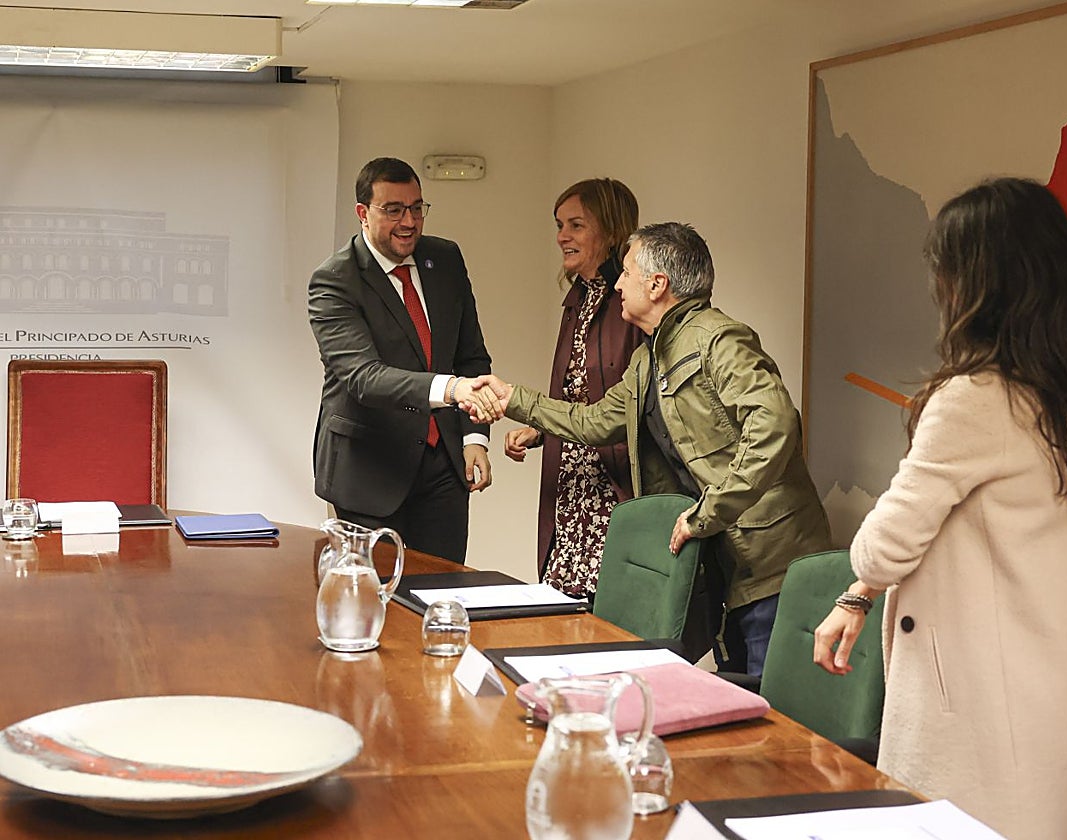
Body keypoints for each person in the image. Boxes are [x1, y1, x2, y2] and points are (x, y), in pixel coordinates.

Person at [811, 178, 1067, 840]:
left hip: (982, 709)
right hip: (1061, 688)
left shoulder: (974, 398)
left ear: (977, 283)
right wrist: (859, 597)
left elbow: (881, 546)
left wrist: (864, 575)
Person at [463, 222, 832, 676]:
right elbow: (596, 421)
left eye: (627, 272)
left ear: (658, 285)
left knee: (776, 713)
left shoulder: (719, 338)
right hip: (727, 570)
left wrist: (711, 510)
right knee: (740, 698)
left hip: (772, 562)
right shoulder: (648, 359)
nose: (617, 282)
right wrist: (512, 400)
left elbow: (774, 424)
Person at [308, 157, 496, 564]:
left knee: (441, 593)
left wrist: (473, 437)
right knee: (374, 604)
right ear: (363, 213)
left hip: (444, 465)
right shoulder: (335, 280)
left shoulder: (445, 259)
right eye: (393, 210)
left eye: (416, 208)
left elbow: (470, 355)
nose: (409, 221)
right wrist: (451, 388)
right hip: (369, 470)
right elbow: (364, 378)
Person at [504, 178, 642, 598]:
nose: (562, 236)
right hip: (570, 491)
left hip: (614, 496)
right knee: (561, 614)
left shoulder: (633, 306)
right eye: (559, 225)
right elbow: (579, 397)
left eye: (576, 225)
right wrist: (541, 430)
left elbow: (625, 411)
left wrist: (520, 405)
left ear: (612, 231)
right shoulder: (578, 299)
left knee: (608, 622)